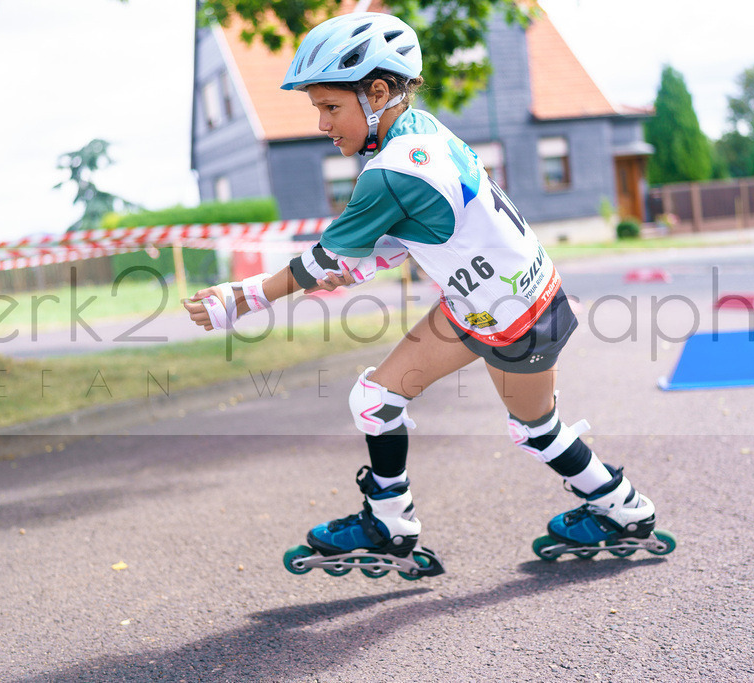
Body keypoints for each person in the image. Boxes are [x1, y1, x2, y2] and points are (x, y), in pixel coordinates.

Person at [183, 12, 671, 578]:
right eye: (317, 108)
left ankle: (623, 509)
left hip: (519, 318)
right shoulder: (421, 133)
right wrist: (362, 262)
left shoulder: (391, 170)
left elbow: (325, 261)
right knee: (375, 400)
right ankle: (390, 522)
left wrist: (238, 299)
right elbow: (431, 227)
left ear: (379, 92)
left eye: (330, 107)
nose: (321, 123)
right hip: (488, 303)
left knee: (536, 429)